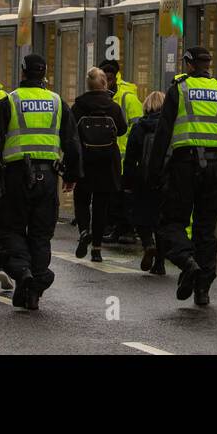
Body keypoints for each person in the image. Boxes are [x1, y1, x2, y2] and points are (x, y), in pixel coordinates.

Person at [0, 54, 82, 311]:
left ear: (23, 72)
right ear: (44, 74)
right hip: (48, 177)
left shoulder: (9, 101)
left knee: (10, 229)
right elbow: (72, 142)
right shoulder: (57, 102)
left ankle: (24, 274)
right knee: (41, 234)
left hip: (16, 176)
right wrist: (72, 176)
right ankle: (35, 288)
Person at [150, 46, 217, 307]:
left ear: (188, 64)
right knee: (206, 230)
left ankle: (187, 262)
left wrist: (153, 173)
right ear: (208, 64)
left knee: (171, 222)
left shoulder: (179, 90)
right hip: (216, 170)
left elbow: (162, 135)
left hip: (184, 167)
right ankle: (203, 288)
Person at [70, 67, 128, 262]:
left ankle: (84, 230)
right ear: (104, 84)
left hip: (85, 160)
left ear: (88, 85)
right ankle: (96, 247)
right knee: (101, 204)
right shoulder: (113, 107)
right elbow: (121, 130)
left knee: (82, 198)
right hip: (107, 160)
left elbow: (71, 134)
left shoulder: (78, 106)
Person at [123, 91, 169, 275]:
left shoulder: (139, 127)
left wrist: (127, 182)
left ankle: (148, 244)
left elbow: (130, 157)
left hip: (142, 179)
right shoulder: (170, 127)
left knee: (141, 216)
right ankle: (160, 263)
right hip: (165, 179)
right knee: (162, 220)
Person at [100, 59, 143, 243]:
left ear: (114, 78)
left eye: (108, 79)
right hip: (109, 158)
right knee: (112, 197)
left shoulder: (127, 98)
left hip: (125, 158)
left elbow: (138, 127)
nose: (106, 84)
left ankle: (127, 230)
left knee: (124, 197)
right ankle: (115, 229)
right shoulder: (103, 99)